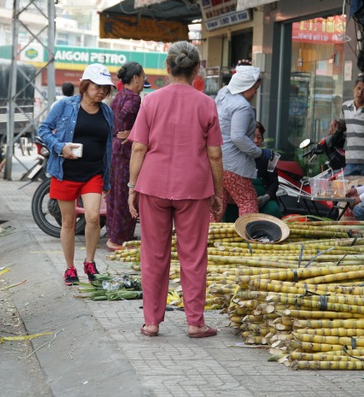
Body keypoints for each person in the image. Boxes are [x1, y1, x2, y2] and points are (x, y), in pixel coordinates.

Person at [127, 41, 223, 338]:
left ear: (167, 69)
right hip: (194, 187)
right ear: (196, 71)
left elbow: (139, 148)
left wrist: (132, 187)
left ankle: (152, 322)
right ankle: (195, 322)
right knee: (193, 255)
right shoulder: (206, 103)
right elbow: (215, 155)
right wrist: (218, 192)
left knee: (153, 254)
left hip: (153, 185)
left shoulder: (151, 102)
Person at [39, 63, 114, 285]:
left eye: (105, 88)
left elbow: (108, 147)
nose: (101, 91)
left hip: (93, 172)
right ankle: (70, 268)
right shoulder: (65, 105)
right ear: (85, 85)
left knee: (93, 217)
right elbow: (43, 129)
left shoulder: (107, 112)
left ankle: (89, 262)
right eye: (96, 86)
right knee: (69, 221)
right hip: (66, 172)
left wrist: (107, 180)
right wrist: (59, 147)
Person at [213, 65, 273, 221]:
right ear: (246, 86)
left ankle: (204, 239)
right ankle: (247, 238)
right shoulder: (242, 106)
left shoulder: (223, 95)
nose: (255, 93)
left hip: (218, 160)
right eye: (255, 89)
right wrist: (259, 153)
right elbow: (238, 137)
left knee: (218, 205)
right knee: (248, 201)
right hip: (234, 164)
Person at [105, 62, 146, 252]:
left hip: (114, 150)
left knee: (114, 195)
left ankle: (113, 234)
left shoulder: (119, 95)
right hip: (126, 151)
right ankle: (120, 239)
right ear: (135, 78)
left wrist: (120, 129)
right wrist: (129, 130)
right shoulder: (134, 98)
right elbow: (126, 113)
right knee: (124, 195)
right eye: (143, 76)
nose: (144, 80)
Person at [253, 121, 281, 218]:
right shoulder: (238, 157)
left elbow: (274, 183)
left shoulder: (268, 157)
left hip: (264, 200)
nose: (256, 140)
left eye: (259, 137)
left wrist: (266, 197)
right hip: (241, 200)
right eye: (253, 137)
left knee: (273, 210)